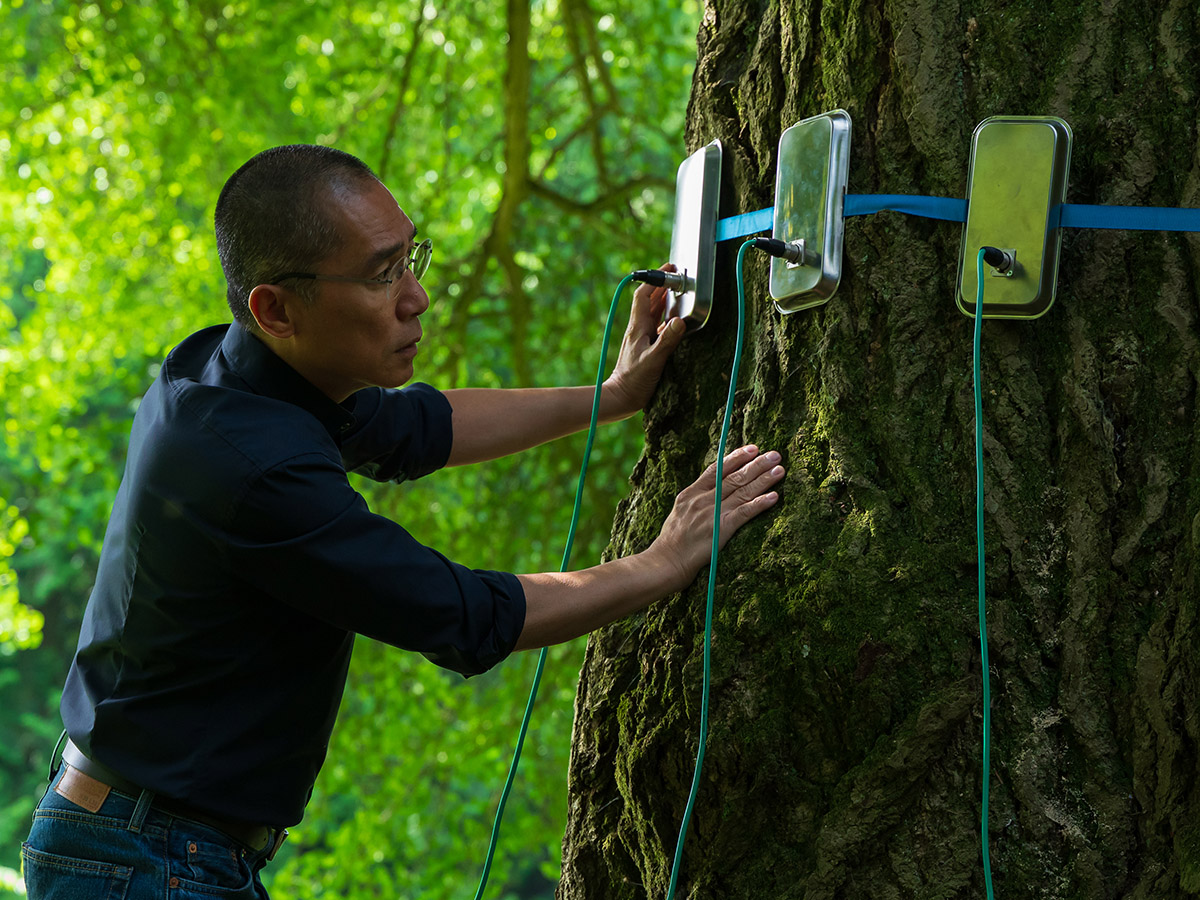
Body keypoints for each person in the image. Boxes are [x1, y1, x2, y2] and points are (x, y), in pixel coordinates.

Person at [21, 144, 784, 899]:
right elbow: (460, 611)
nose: (416, 296)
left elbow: (420, 429)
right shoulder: (251, 469)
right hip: (140, 861)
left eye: (410, 256)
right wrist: (665, 561)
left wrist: (611, 397)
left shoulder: (236, 374)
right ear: (275, 308)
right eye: (382, 275)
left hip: (150, 844)